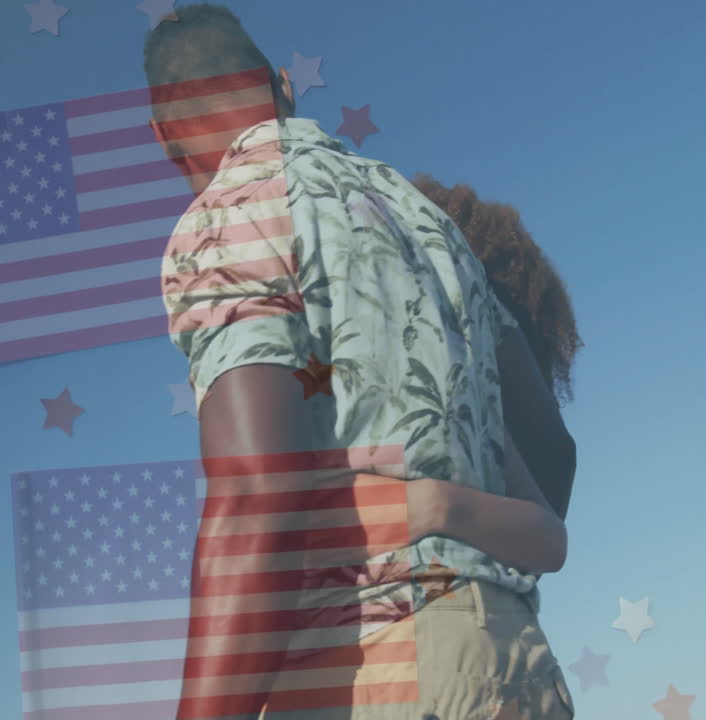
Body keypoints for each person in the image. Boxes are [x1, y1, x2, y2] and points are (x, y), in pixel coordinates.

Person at [146, 4, 578, 719]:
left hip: (370, 673)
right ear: (284, 86)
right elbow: (549, 450)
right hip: (513, 661)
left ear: (164, 137)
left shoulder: (233, 212)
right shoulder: (426, 218)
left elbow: (258, 497)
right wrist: (454, 535)